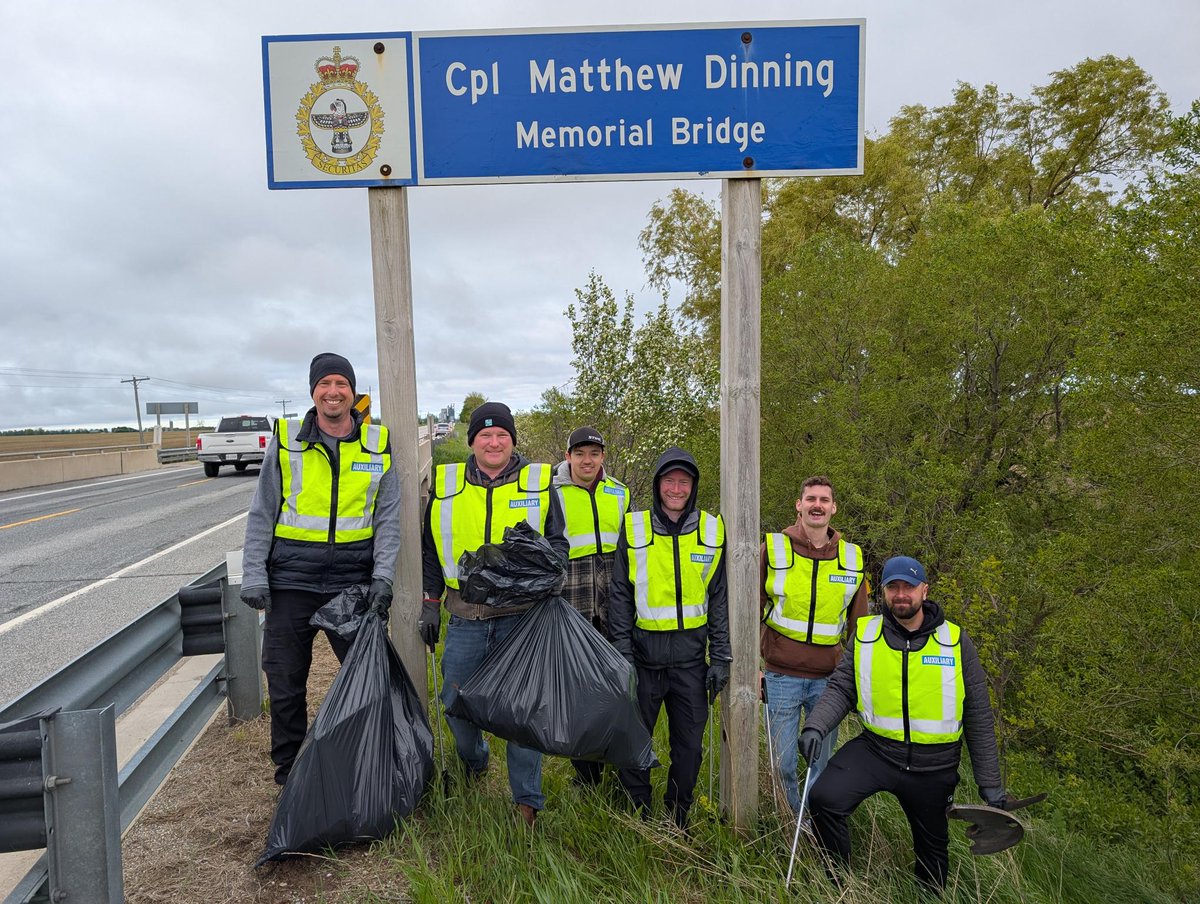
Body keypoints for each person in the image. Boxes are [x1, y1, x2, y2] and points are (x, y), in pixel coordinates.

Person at [240, 352, 400, 785]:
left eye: (342, 385)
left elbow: (388, 520)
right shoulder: (288, 439)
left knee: (368, 677)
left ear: (353, 392)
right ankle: (290, 773)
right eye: (325, 384)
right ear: (313, 391)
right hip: (290, 582)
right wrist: (253, 573)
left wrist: (383, 578)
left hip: (351, 583)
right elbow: (262, 511)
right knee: (286, 683)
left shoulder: (377, 444)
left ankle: (366, 763)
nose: (333, 392)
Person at [801, 556, 1005, 892]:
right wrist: (815, 726)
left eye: (908, 587)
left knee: (933, 859)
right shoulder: (866, 634)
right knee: (824, 799)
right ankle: (838, 884)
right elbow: (841, 687)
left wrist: (991, 786)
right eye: (893, 587)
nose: (901, 594)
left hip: (933, 765)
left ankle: (928, 894)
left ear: (924, 590)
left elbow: (979, 714)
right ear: (884, 592)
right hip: (876, 751)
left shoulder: (955, 641)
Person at [418, 401, 568, 827]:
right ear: (472, 442)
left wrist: (545, 578)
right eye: (485, 435)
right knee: (454, 703)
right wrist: (431, 604)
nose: (494, 441)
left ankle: (527, 801)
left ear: (512, 440)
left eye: (502, 434)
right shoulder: (446, 485)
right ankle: (476, 759)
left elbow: (558, 544)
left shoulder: (539, 483)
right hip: (466, 616)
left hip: (523, 619)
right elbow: (430, 549)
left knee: (523, 713)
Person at [608, 447, 732, 830]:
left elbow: (719, 598)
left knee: (690, 748)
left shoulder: (712, 530)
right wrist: (623, 654)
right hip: (643, 660)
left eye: (684, 482)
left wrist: (722, 657)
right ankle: (639, 811)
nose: (676, 489)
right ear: (658, 484)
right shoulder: (634, 528)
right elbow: (620, 595)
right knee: (635, 741)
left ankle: (678, 815)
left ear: (692, 487)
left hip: (691, 664)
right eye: (669, 481)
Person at [760, 476, 868, 814]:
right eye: (811, 499)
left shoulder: (851, 558)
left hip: (829, 683)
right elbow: (748, 608)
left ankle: (813, 826)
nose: (817, 505)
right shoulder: (774, 548)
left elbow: (860, 628)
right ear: (799, 505)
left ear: (833, 508)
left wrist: (854, 682)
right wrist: (752, 668)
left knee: (820, 764)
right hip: (780, 677)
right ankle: (792, 820)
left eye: (824, 500)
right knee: (783, 764)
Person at [551, 425, 632, 786]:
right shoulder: (550, 492)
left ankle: (616, 757)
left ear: (603, 457)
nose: (587, 460)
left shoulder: (619, 492)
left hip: (613, 594)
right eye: (580, 453)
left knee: (615, 681)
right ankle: (586, 774)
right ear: (568, 456)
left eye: (594, 454)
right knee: (578, 687)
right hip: (573, 592)